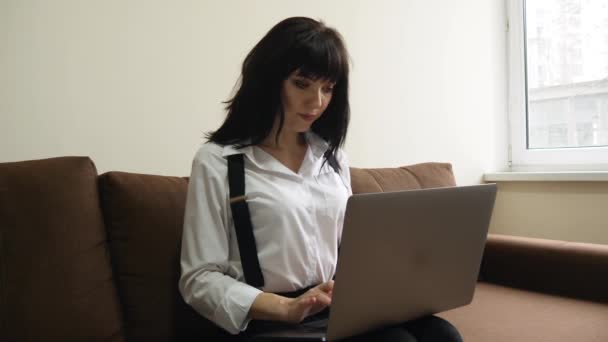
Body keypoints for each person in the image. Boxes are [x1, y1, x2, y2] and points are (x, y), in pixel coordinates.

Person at [179, 16, 463, 342]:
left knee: (443, 334)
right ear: (268, 80)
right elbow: (198, 278)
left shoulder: (332, 158)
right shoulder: (218, 161)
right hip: (267, 320)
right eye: (301, 83)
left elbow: (353, 251)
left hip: (337, 309)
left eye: (327, 88)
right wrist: (286, 307)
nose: (317, 102)